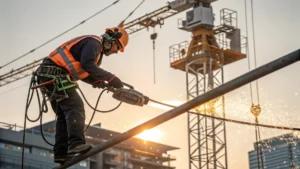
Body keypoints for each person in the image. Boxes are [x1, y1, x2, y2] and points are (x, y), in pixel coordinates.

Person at [35, 23, 129, 163]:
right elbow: (87, 65)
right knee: (75, 106)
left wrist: (97, 82)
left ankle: (61, 152)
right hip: (56, 74)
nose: (116, 52)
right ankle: (76, 143)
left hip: (48, 74)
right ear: (112, 40)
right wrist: (111, 78)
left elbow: (83, 71)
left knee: (63, 113)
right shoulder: (94, 43)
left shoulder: (94, 49)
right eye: (118, 47)